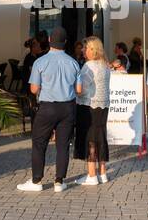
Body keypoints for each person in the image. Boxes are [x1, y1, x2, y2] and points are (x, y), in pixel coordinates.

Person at [17, 26, 80, 193]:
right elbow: (79, 89)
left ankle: (37, 181)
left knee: (39, 143)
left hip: (47, 107)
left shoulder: (40, 61)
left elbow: (33, 89)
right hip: (67, 107)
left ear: (50, 40)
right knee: (63, 145)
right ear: (65, 42)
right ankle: (59, 182)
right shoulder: (73, 62)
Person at [74, 36, 111, 186]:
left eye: (85, 48)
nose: (83, 50)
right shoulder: (105, 65)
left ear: (92, 49)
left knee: (90, 139)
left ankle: (91, 175)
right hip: (103, 106)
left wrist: (74, 89)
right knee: (101, 137)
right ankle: (102, 173)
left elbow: (81, 90)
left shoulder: (89, 66)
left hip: (89, 106)